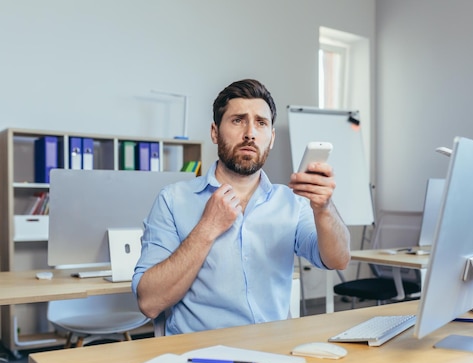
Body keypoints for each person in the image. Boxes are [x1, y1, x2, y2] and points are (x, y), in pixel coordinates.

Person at [132, 79, 351, 335]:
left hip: (274, 352)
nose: (250, 133)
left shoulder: (291, 202)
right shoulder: (172, 200)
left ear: (271, 138)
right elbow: (149, 302)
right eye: (238, 120)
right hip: (200, 358)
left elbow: (339, 259)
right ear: (215, 132)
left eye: (261, 122)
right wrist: (207, 228)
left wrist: (324, 208)